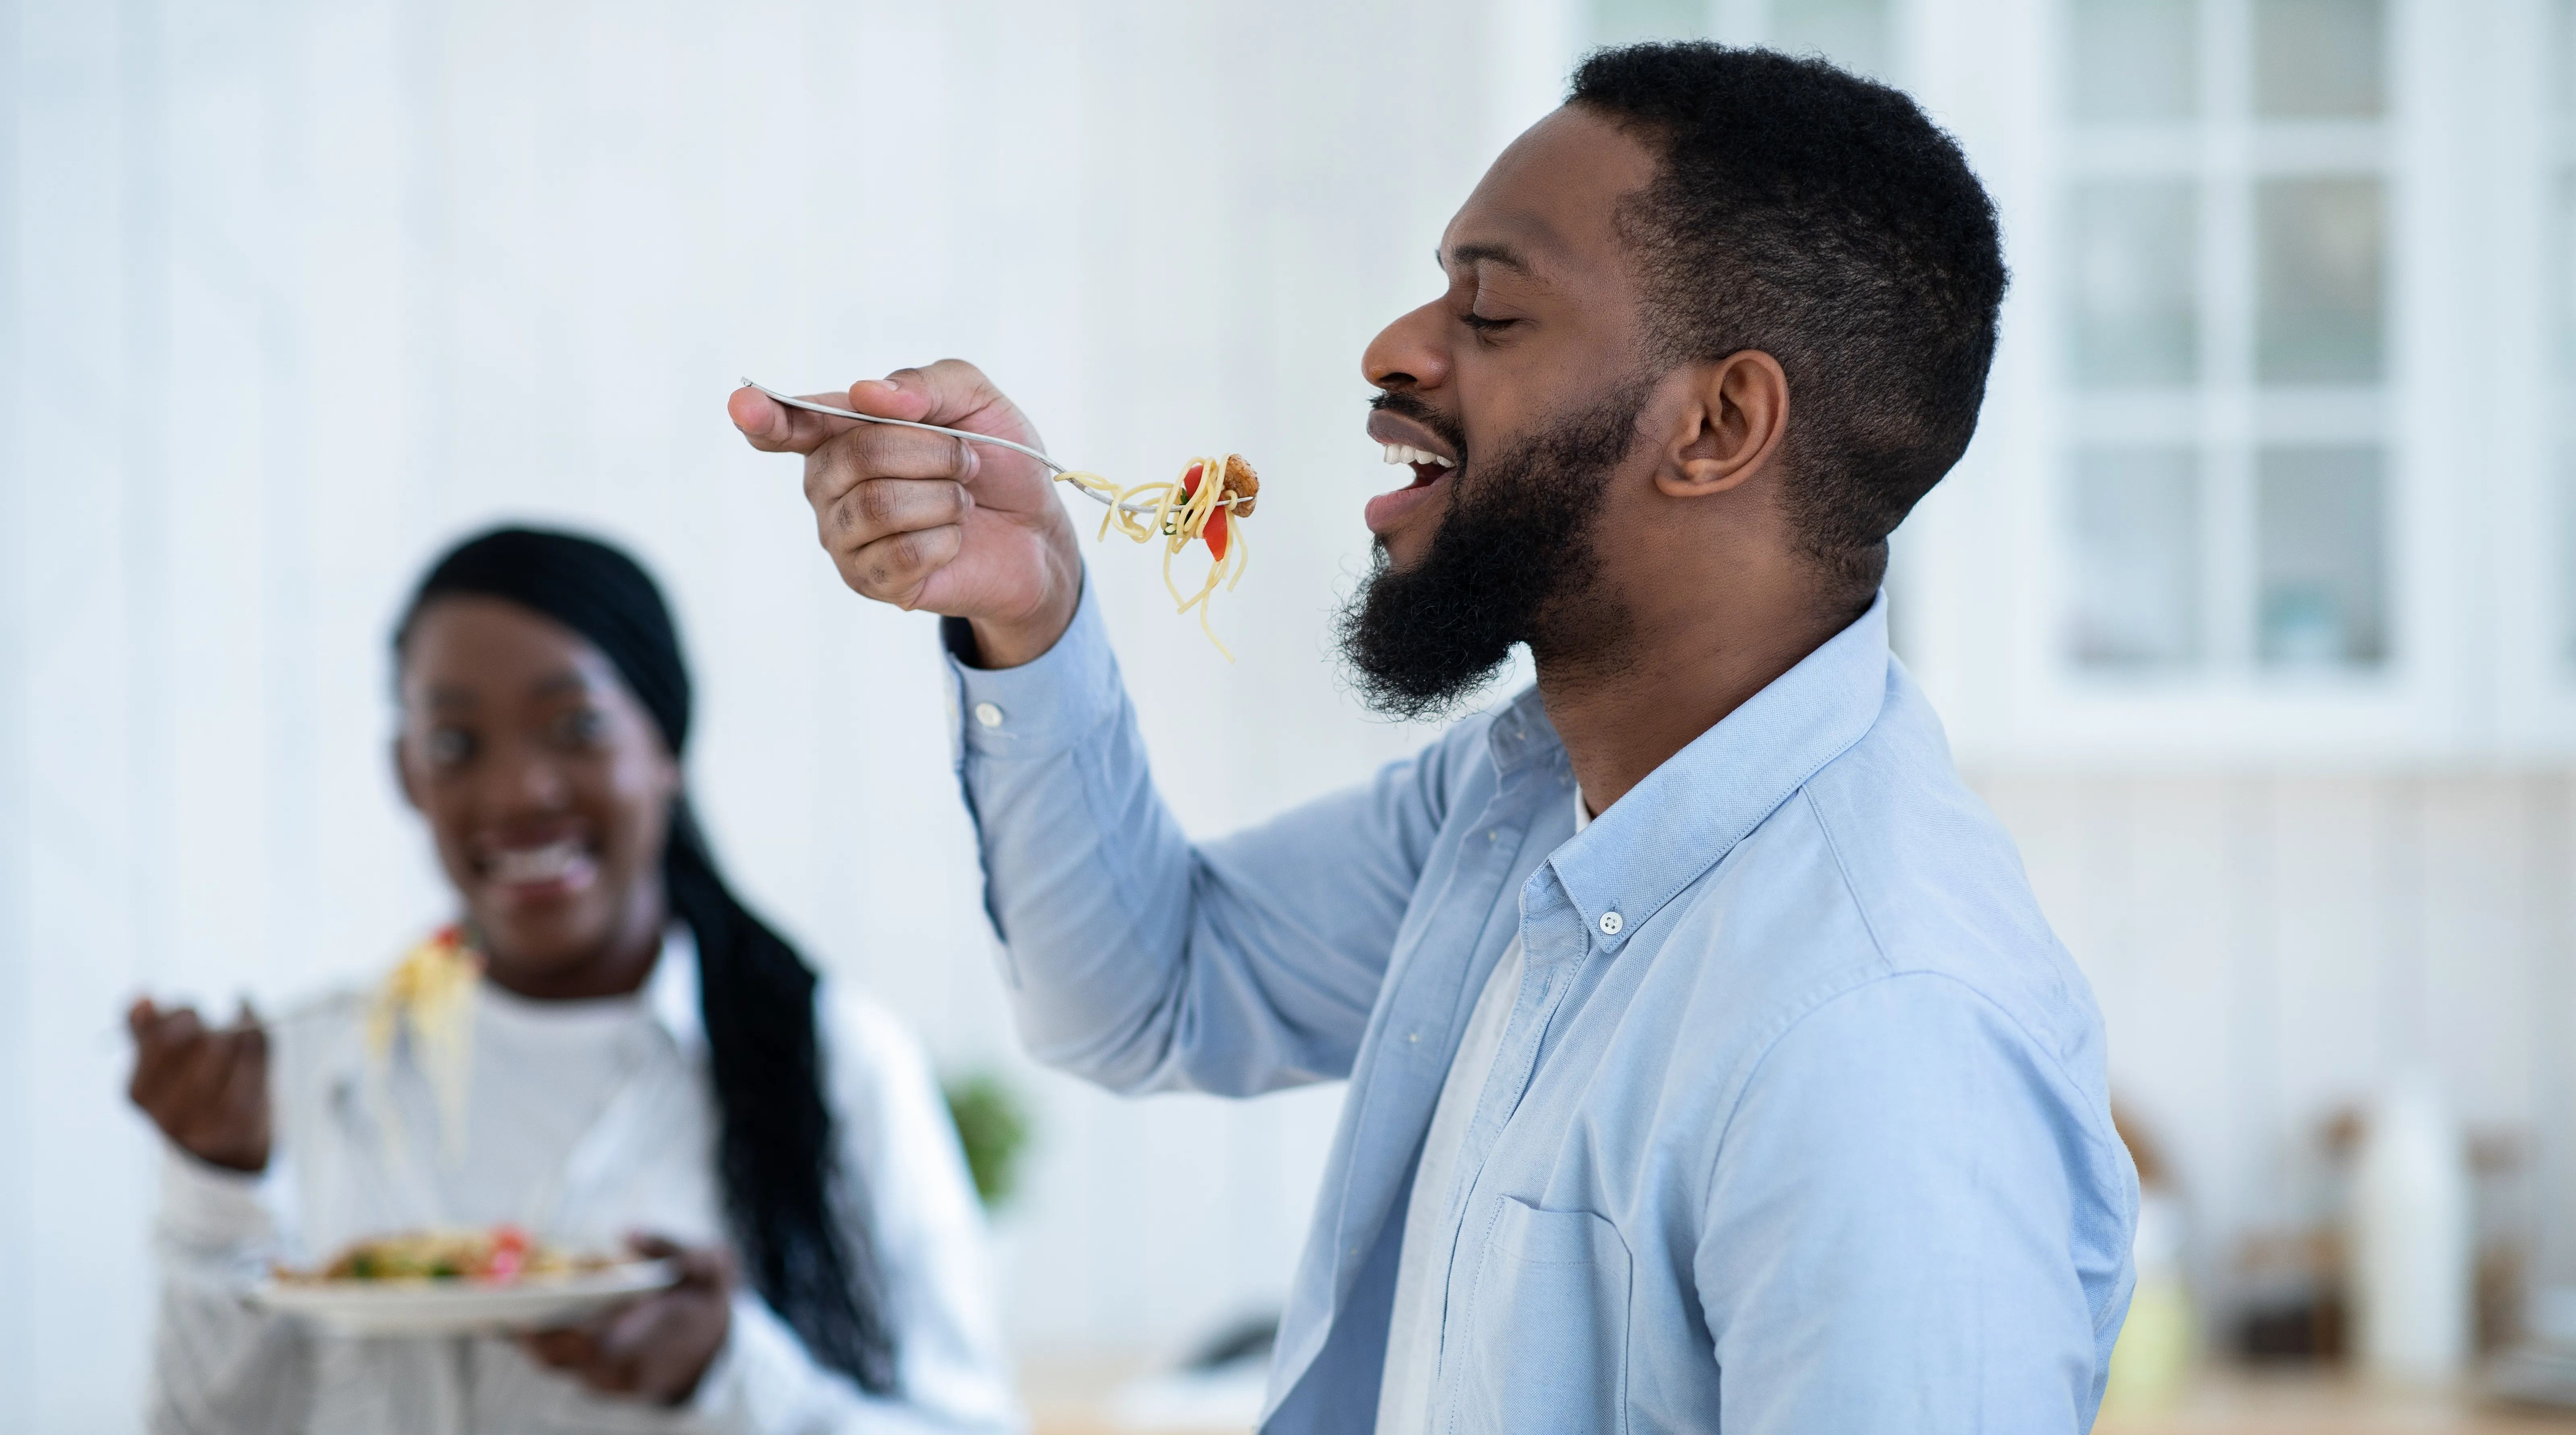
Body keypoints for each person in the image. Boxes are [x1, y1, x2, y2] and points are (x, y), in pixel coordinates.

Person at [732, 41, 2135, 1435]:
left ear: (1717, 424)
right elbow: (1149, 988)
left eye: (1490, 312)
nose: (1393, 348)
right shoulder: (1529, 802)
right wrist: (1025, 606)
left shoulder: (1879, 1037)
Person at [124, 527, 1015, 1435]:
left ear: (665, 744)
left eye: (577, 727)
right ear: (406, 775)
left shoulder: (835, 1062)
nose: (516, 792)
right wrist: (218, 1186)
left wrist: (726, 1375)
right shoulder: (296, 1078)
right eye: (456, 743)